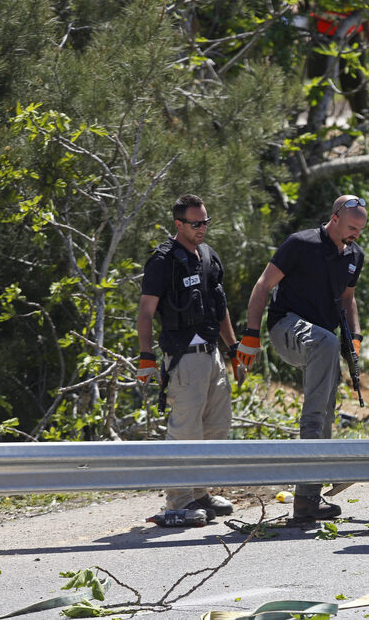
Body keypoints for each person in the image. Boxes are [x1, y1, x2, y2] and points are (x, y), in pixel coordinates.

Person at [238, 195, 367, 522]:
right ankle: (315, 445)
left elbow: (348, 298)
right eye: (352, 228)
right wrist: (251, 334)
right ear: (334, 217)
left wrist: (355, 335)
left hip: (322, 342)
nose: (356, 235)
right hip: (286, 328)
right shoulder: (300, 243)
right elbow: (263, 284)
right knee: (325, 347)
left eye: (361, 230)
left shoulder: (354, 255)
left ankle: (307, 500)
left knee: (327, 412)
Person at [137, 194, 240, 522]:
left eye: (206, 222)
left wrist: (234, 349)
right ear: (178, 224)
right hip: (183, 356)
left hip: (212, 353)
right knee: (185, 430)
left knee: (217, 426)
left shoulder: (209, 256)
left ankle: (200, 494)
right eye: (196, 223)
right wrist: (146, 356)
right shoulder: (163, 260)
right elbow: (145, 311)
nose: (203, 228)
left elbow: (219, 307)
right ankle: (178, 502)